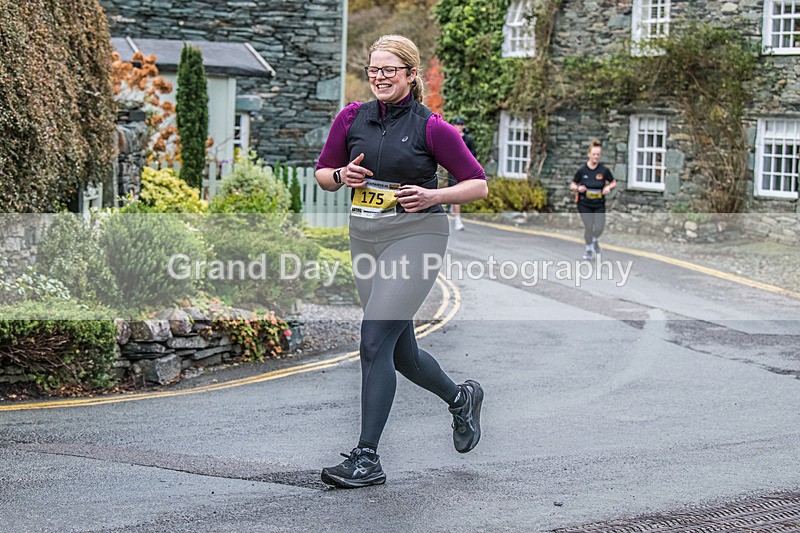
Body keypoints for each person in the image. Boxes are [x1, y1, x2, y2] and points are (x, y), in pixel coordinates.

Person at [314, 34, 488, 489]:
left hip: (417, 236)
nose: (380, 77)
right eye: (374, 69)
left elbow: (477, 184)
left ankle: (367, 458)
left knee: (373, 339)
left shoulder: (432, 128)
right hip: (365, 237)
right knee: (401, 353)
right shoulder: (352, 118)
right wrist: (340, 175)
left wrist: (434, 194)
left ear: (411, 74)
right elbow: (323, 175)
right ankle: (461, 398)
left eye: (390, 70)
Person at [569, 139, 616, 260]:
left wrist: (608, 188)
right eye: (594, 154)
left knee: (599, 227)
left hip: (599, 203)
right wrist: (578, 188)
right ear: (589, 154)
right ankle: (589, 250)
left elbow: (613, 182)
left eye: (598, 155)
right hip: (584, 203)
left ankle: (594, 239)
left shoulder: (604, 170)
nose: (596, 157)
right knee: (589, 227)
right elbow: (572, 185)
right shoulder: (582, 170)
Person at [447, 117, 478, 231]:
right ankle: (458, 220)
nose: (459, 126)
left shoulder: (468, 139)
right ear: (454, 125)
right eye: (457, 124)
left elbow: (473, 154)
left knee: (459, 192)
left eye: (461, 124)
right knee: (456, 192)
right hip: (453, 168)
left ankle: (453, 208)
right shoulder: (449, 137)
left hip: (464, 169)